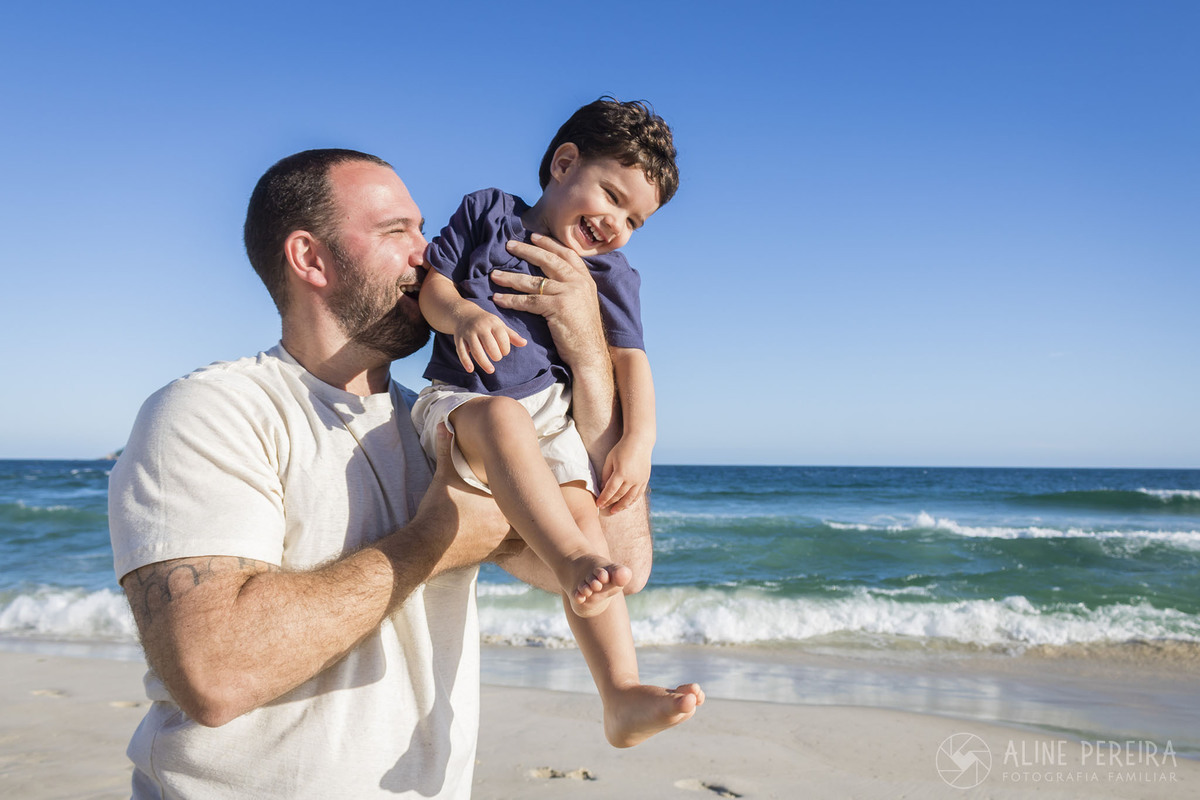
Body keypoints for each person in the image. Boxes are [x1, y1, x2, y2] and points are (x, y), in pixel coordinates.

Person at [107, 148, 667, 799]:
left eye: (422, 228)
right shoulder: (214, 410)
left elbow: (618, 564)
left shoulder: (448, 430)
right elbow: (215, 672)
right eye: (395, 231)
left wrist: (590, 361)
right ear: (309, 258)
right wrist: (438, 537)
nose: (426, 251)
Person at [412, 97, 703, 748]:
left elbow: (632, 361)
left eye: (636, 220)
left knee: (589, 528)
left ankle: (621, 693)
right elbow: (434, 286)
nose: (618, 225)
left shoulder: (611, 273)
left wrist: (639, 442)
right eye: (612, 196)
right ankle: (570, 563)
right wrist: (461, 316)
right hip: (462, 399)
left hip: (548, 414)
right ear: (563, 163)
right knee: (502, 424)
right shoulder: (489, 212)